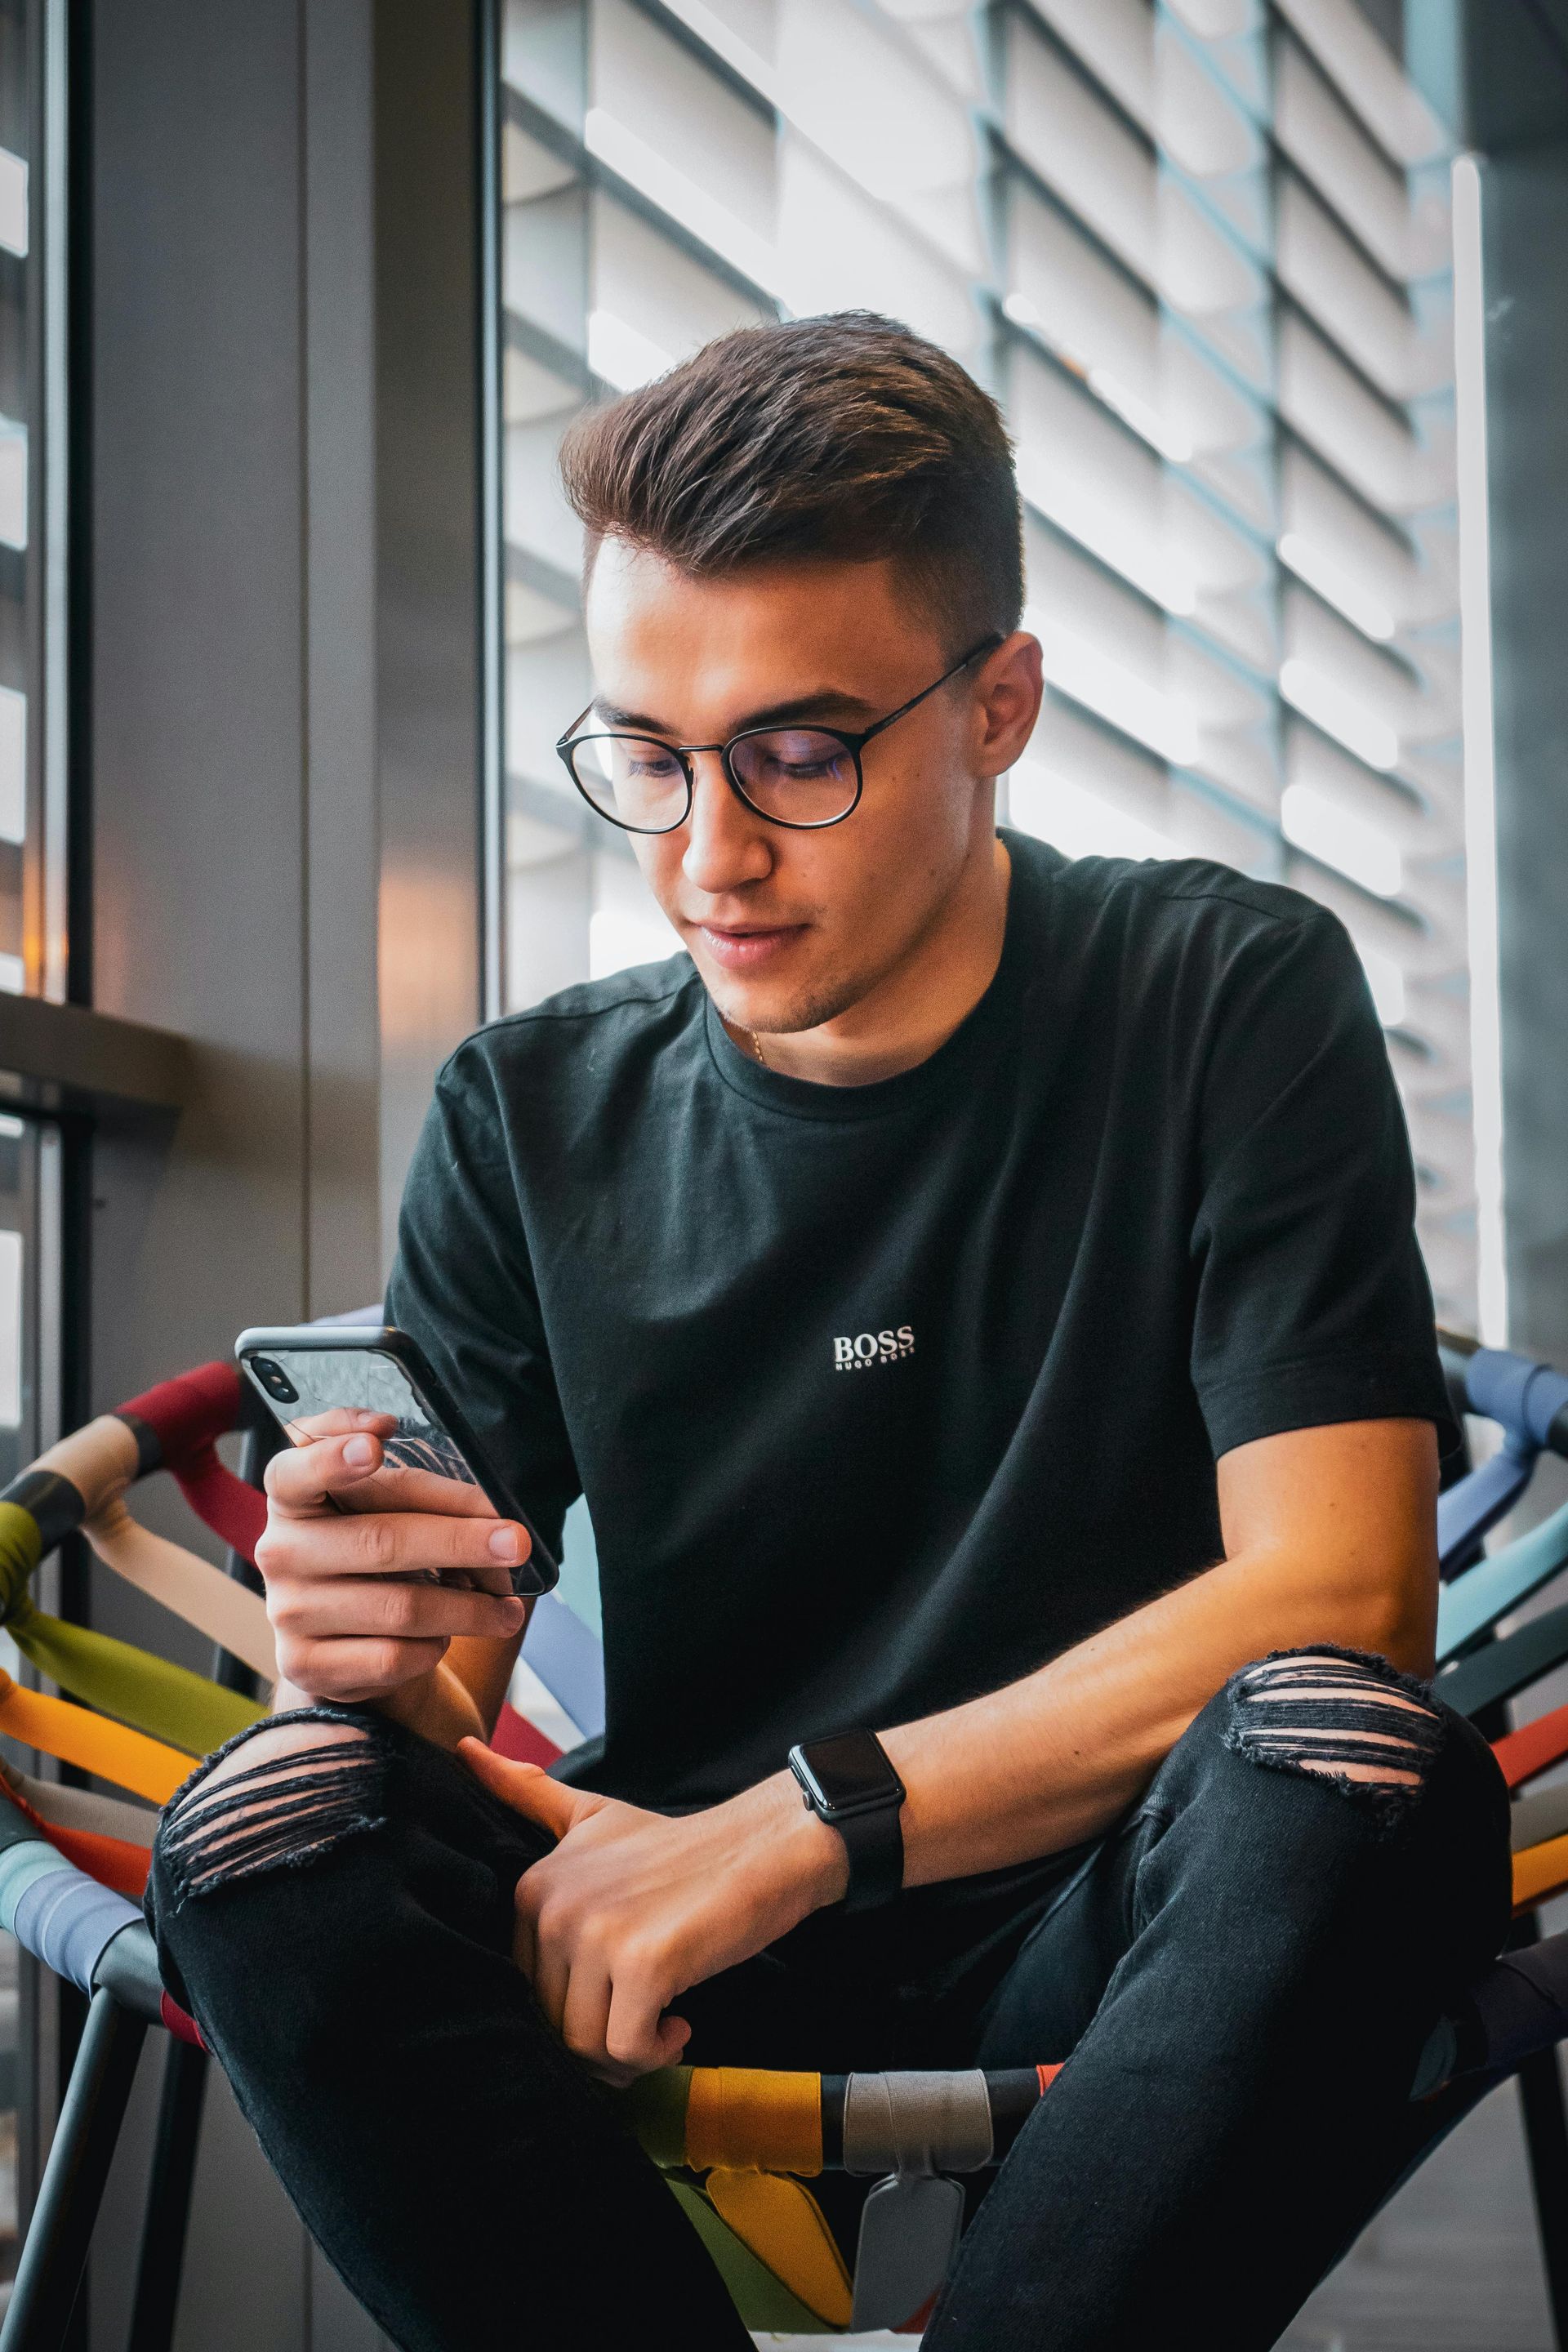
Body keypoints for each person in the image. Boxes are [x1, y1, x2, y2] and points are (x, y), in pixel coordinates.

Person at [147, 310, 1508, 2352]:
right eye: (649, 757)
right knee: (261, 1820)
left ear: (1001, 705)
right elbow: (448, 1692)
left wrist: (803, 1832)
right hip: (656, 1916)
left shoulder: (1224, 995)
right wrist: (369, 1642)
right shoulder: (528, 1116)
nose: (708, 856)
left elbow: (1343, 1593)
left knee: (1358, 1757)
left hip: (1116, 1916)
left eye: (797, 753)